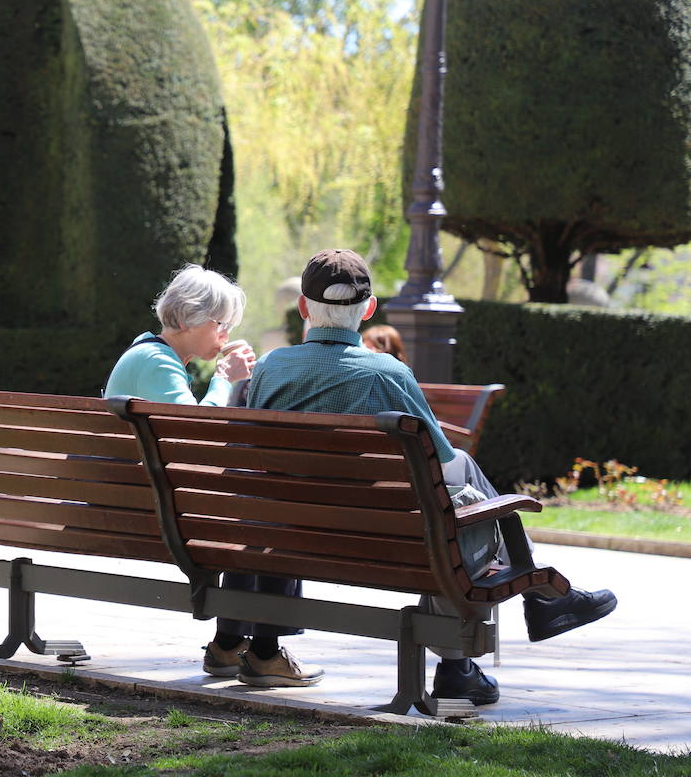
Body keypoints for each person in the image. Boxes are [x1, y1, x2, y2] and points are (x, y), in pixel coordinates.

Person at [245, 248, 618, 705]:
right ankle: (476, 651)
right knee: (458, 499)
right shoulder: (388, 374)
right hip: (383, 540)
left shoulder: (267, 369)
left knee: (457, 493)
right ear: (369, 309)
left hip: (289, 530)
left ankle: (536, 599)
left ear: (303, 307)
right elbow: (438, 459)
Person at [104, 265, 324, 689]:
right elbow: (196, 433)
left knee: (253, 511)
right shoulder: (155, 362)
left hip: (136, 499)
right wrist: (226, 377)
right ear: (187, 319)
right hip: (151, 511)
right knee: (271, 513)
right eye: (220, 325)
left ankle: (230, 645)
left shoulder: (149, 353)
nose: (224, 335)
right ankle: (264, 652)